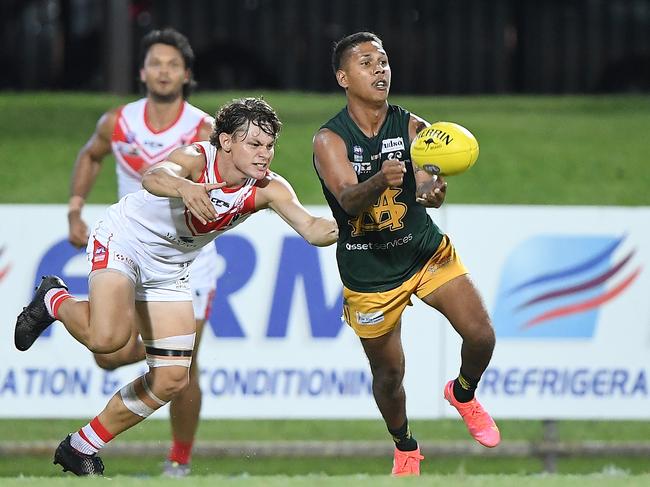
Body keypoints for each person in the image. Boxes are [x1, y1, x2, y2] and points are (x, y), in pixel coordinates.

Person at [15, 97, 338, 477]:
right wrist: (185, 188)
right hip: (126, 240)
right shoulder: (196, 158)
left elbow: (313, 229)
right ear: (227, 142)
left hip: (171, 268)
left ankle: (81, 446)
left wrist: (352, 224)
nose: (264, 154)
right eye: (254, 144)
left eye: (269, 146)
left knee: (171, 379)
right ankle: (53, 299)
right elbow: (154, 176)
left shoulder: (268, 187)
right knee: (107, 340)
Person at [312, 32, 499, 477]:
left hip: (423, 253)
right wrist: (380, 179)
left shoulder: (414, 127)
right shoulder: (329, 140)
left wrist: (433, 190)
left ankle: (464, 393)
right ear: (343, 77)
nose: (379, 69)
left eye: (383, 60)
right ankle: (405, 445)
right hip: (369, 273)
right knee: (390, 376)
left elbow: (426, 179)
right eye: (365, 62)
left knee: (482, 336)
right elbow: (347, 200)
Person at [66, 28, 215, 477]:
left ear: (186, 74)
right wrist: (75, 209)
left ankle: (179, 462)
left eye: (173, 64)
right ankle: (55, 303)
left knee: (184, 366)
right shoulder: (118, 122)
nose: (164, 70)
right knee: (107, 353)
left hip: (190, 260)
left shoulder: (204, 129)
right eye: (156, 62)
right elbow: (91, 156)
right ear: (142, 71)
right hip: (131, 250)